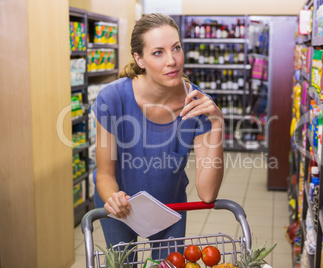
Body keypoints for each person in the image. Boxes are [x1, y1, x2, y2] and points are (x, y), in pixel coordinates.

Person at [92, 13, 224, 259]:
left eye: (176, 48)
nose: (172, 60)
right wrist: (113, 197)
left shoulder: (198, 105)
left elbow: (207, 193)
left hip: (169, 205)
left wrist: (216, 124)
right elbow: (105, 174)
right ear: (138, 59)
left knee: (168, 265)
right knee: (122, 264)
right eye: (158, 52)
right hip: (119, 202)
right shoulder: (112, 99)